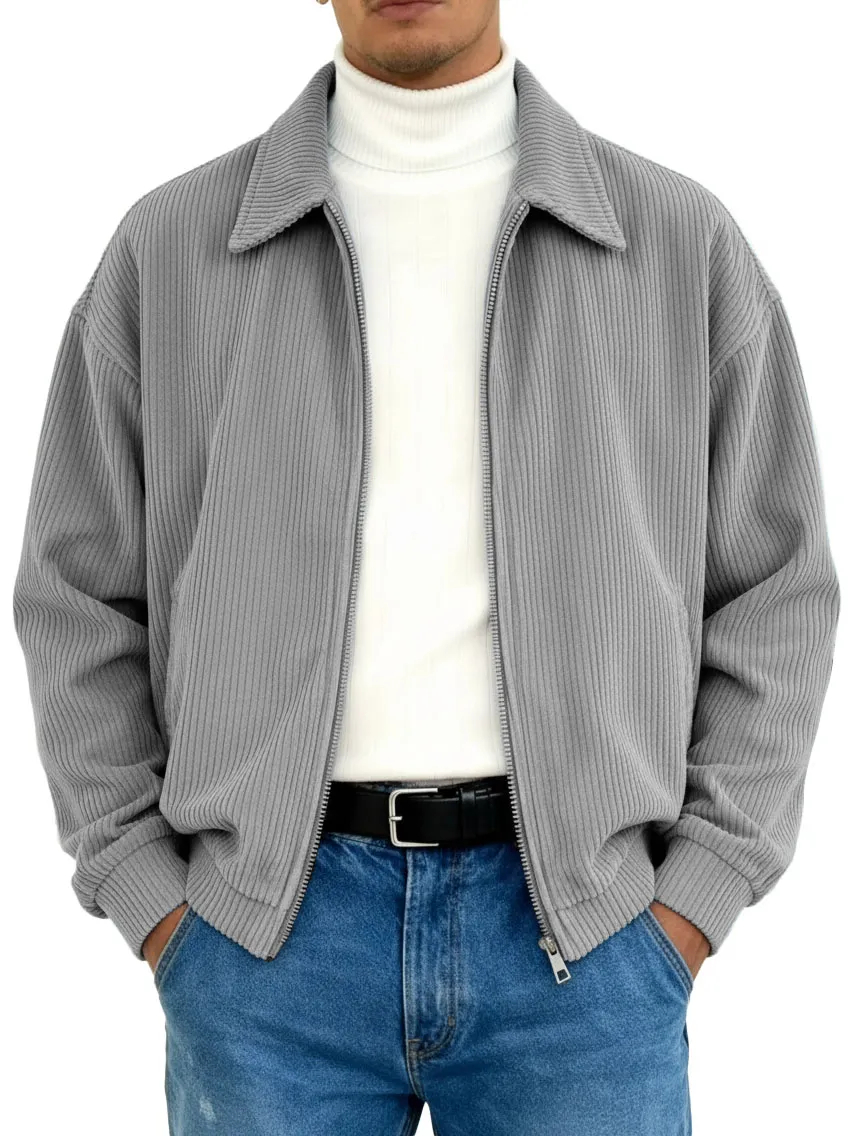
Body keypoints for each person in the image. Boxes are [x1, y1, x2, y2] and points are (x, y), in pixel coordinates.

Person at [12, 1, 840, 1133]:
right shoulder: (169, 251)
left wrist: (693, 900)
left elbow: (778, 589)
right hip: (264, 950)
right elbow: (75, 594)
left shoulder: (678, 243)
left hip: (587, 945)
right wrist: (155, 902)